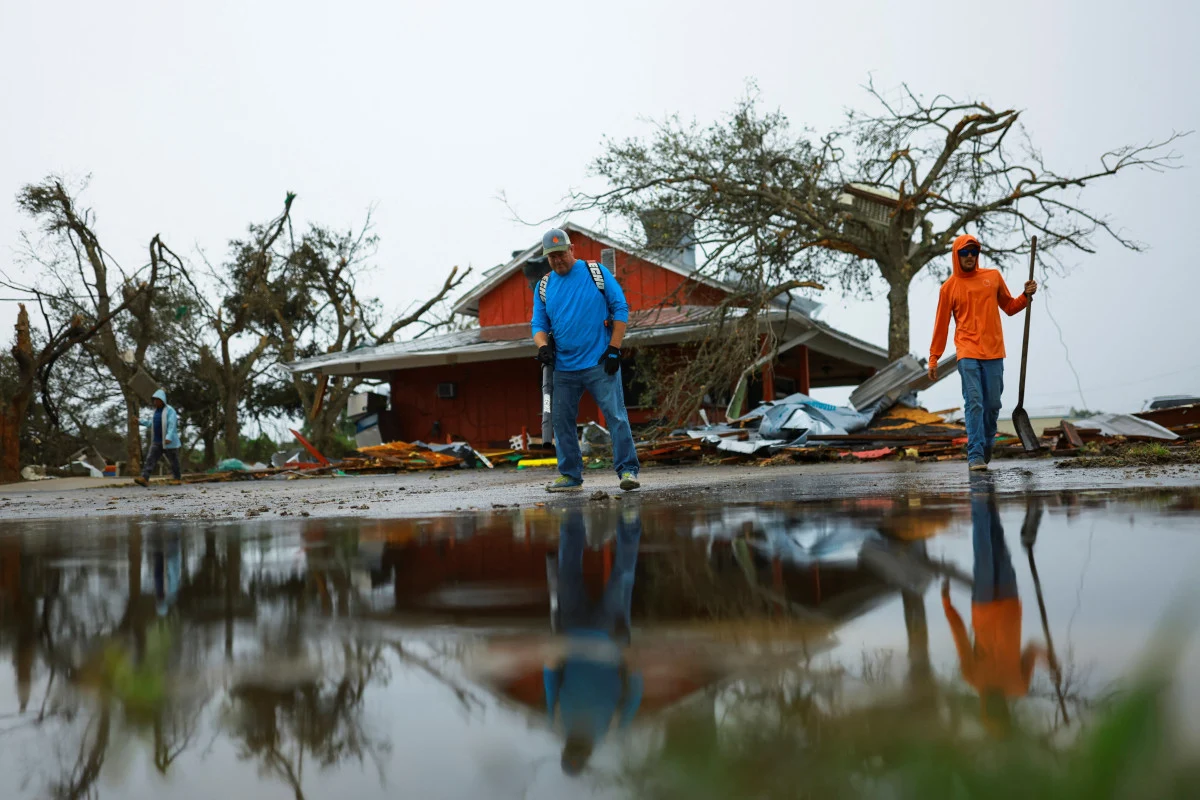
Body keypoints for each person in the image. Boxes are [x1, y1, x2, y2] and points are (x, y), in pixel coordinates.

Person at [531, 228, 640, 492]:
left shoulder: (596, 273)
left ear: (571, 250)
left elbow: (620, 308)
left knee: (616, 416)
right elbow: (538, 324)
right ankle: (570, 476)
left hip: (600, 362)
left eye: (561, 254)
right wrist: (543, 346)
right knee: (561, 420)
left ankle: (627, 471)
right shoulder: (544, 286)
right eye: (551, 257)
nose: (557, 260)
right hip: (564, 368)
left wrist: (614, 349)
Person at [942, 476, 1047, 736]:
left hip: (986, 603)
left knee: (984, 545)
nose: (992, 708)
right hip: (1009, 601)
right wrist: (1050, 660)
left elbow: (960, 637)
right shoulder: (1018, 687)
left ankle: (979, 492)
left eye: (990, 713)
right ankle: (987, 495)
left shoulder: (973, 678)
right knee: (997, 540)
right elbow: (1033, 650)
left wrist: (947, 604)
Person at [545, 506, 643, 775]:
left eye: (571, 750)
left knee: (566, 569)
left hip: (572, 631)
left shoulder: (558, 725)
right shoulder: (611, 730)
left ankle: (572, 516)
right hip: (612, 636)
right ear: (587, 753)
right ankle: (630, 519)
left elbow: (552, 687)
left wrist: (550, 663)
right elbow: (631, 697)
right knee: (623, 574)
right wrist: (634, 670)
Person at [929, 234, 1037, 470]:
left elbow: (1009, 307)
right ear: (956, 255)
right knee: (974, 402)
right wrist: (934, 357)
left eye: (974, 252)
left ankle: (987, 441)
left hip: (994, 352)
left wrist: (1025, 296)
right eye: (964, 252)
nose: (969, 256)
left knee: (993, 404)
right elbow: (941, 325)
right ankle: (975, 454)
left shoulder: (992, 277)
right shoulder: (948, 288)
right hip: (967, 352)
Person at [134, 389, 182, 487]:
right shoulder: (156, 411)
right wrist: (140, 421)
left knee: (173, 461)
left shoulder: (170, 410)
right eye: (154, 400)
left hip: (169, 442)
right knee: (150, 459)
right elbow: (152, 424)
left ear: (162, 400)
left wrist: (168, 437)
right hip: (157, 441)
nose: (155, 402)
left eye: (157, 400)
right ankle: (144, 478)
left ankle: (177, 478)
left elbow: (172, 425)